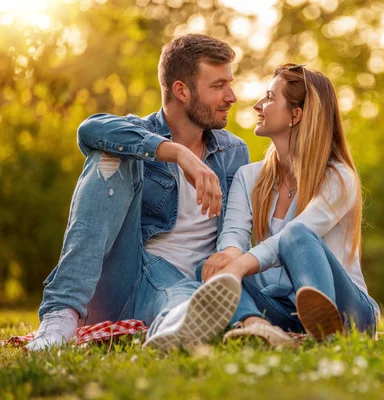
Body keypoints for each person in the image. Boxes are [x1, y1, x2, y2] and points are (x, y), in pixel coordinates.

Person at [26, 34, 248, 351]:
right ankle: (61, 314)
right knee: (112, 154)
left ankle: (172, 327)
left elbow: (236, 225)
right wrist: (177, 154)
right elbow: (91, 129)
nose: (232, 96)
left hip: (183, 285)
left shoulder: (233, 151)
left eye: (230, 83)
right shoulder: (138, 132)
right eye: (218, 86)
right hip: (125, 274)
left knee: (182, 301)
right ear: (182, 90)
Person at [145, 64, 379, 350]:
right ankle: (258, 326)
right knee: (206, 270)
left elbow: (292, 236)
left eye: (269, 98)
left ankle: (327, 330)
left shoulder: (338, 177)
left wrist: (240, 265)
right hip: (285, 311)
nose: (258, 105)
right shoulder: (250, 177)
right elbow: (233, 233)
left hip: (351, 313)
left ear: (295, 115)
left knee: (297, 236)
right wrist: (229, 256)